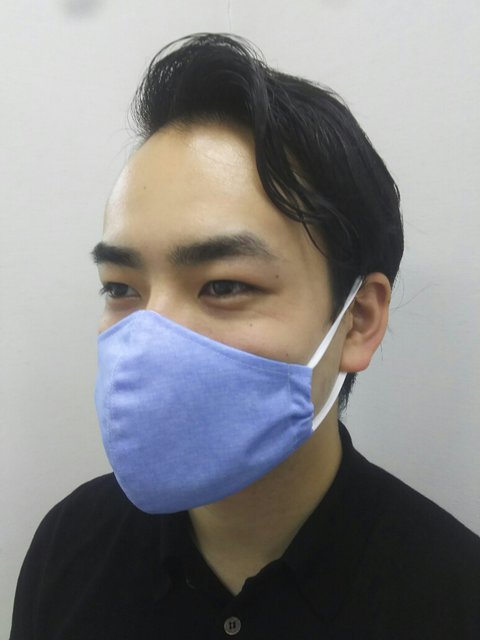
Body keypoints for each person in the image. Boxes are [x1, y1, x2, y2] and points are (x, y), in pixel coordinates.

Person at [10, 33, 480, 639]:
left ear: (358, 320)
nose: (152, 337)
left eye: (224, 285)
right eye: (121, 287)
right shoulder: (68, 548)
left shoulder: (454, 598)